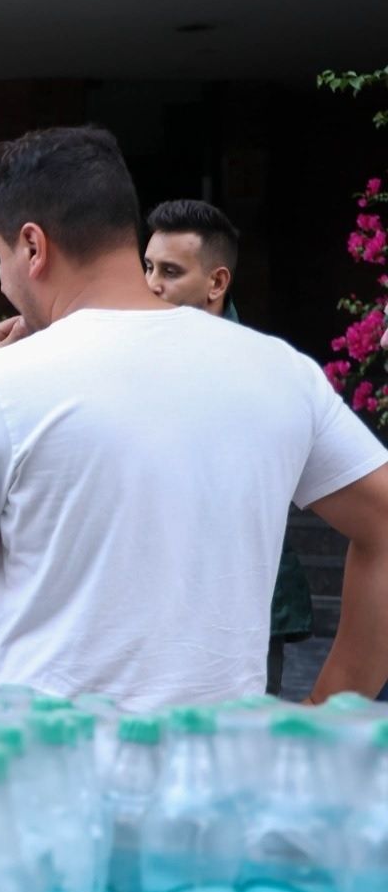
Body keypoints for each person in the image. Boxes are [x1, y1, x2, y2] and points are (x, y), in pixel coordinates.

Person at [0, 125, 388, 711]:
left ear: (33, 247)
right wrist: (329, 719)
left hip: (55, 772)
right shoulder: (280, 368)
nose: (1, 281)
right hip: (223, 775)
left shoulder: (4, 381)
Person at [143, 198, 315, 696]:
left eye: (170, 272)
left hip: (243, 611)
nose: (152, 284)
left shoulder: (268, 372)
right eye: (148, 267)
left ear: (217, 283)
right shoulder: (132, 355)